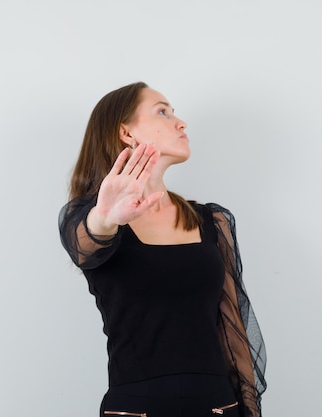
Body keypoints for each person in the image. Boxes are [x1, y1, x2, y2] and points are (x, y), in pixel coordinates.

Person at [58, 82, 267, 417]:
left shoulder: (212, 221)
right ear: (126, 133)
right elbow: (85, 245)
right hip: (136, 409)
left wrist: (250, 410)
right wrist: (105, 216)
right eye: (162, 111)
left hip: (217, 405)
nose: (180, 122)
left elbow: (232, 331)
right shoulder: (89, 219)